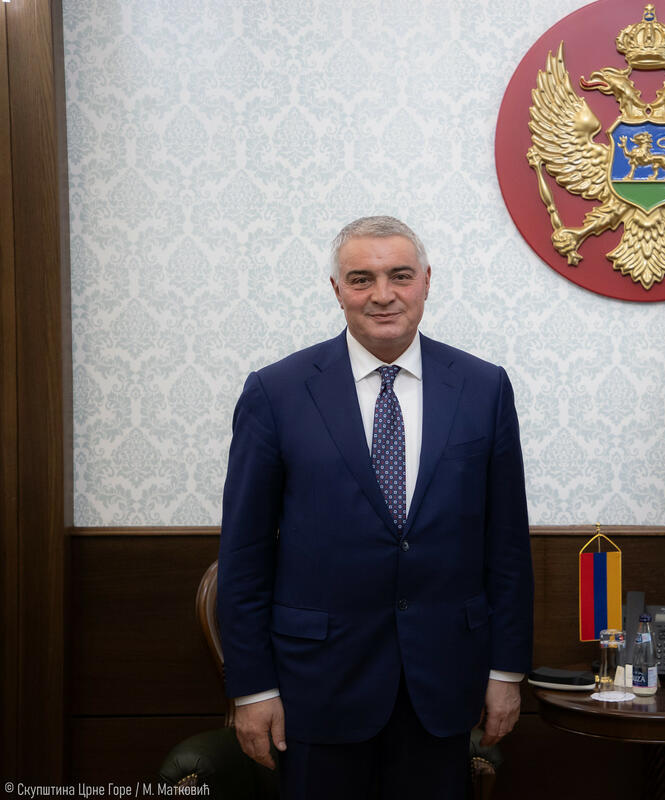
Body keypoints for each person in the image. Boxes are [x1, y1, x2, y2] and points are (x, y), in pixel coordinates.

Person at [217, 216, 534, 799]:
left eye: (400, 276)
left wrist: (506, 672)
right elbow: (244, 555)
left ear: (426, 281)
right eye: (361, 279)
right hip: (317, 686)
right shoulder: (276, 392)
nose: (383, 294)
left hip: (444, 684)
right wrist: (253, 689)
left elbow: (507, 545)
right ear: (337, 289)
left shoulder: (484, 388)